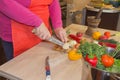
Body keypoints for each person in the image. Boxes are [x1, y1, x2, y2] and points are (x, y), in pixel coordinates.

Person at [0, 0, 67, 61]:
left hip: (42, 34)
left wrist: (58, 26)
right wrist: (36, 22)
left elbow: (53, 1)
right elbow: (4, 2)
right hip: (18, 36)